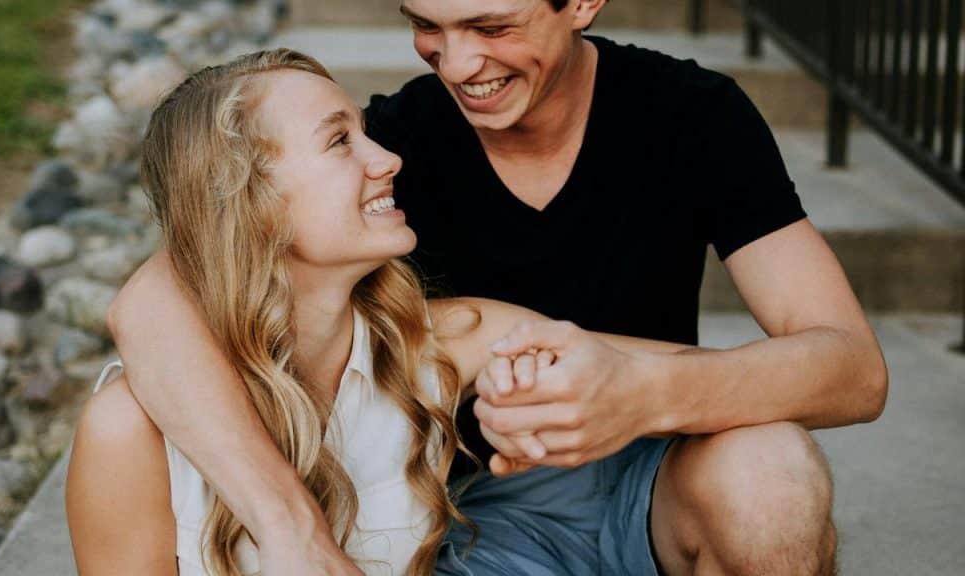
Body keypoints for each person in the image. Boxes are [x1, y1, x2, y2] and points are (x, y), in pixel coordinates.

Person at [106, 1, 890, 574]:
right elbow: (163, 290)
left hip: (649, 486)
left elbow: (852, 369)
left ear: (581, 3)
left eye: (491, 27)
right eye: (428, 27)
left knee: (771, 469)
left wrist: (644, 394)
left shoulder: (693, 117)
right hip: (466, 515)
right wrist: (290, 526)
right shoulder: (400, 142)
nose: (455, 65)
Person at [65, 47, 685, 576]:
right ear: (251, 201)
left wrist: (574, 404)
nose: (388, 159)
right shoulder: (129, 431)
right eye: (340, 141)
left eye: (365, 131)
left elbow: (697, 379)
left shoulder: (443, 343)